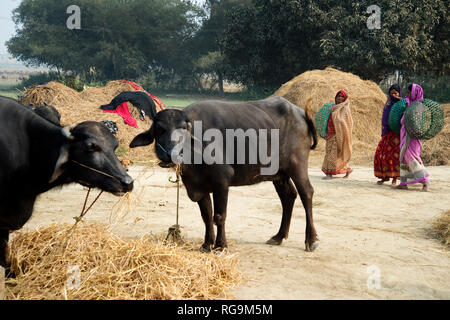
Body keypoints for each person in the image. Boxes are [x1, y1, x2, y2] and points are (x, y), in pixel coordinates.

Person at [393, 84, 430, 191]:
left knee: (412, 159)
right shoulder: (410, 105)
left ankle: (425, 182)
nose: (407, 94)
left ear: (415, 93)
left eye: (409, 92)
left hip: (412, 138)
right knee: (404, 158)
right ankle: (403, 183)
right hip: (405, 136)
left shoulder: (418, 107)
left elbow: (416, 125)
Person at [322, 90, 353, 180]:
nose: (339, 98)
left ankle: (329, 174)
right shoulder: (333, 108)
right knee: (328, 153)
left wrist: (340, 128)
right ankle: (348, 169)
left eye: (342, 96)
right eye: (338, 96)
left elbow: (347, 124)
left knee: (333, 155)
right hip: (329, 134)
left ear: (345, 98)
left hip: (339, 135)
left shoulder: (345, 109)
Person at [374, 84, 402, 185]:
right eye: (391, 93)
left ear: (399, 93)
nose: (393, 95)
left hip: (396, 135)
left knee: (394, 157)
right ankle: (384, 177)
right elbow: (384, 117)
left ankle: (395, 178)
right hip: (387, 133)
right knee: (381, 155)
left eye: (395, 93)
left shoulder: (401, 104)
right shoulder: (388, 103)